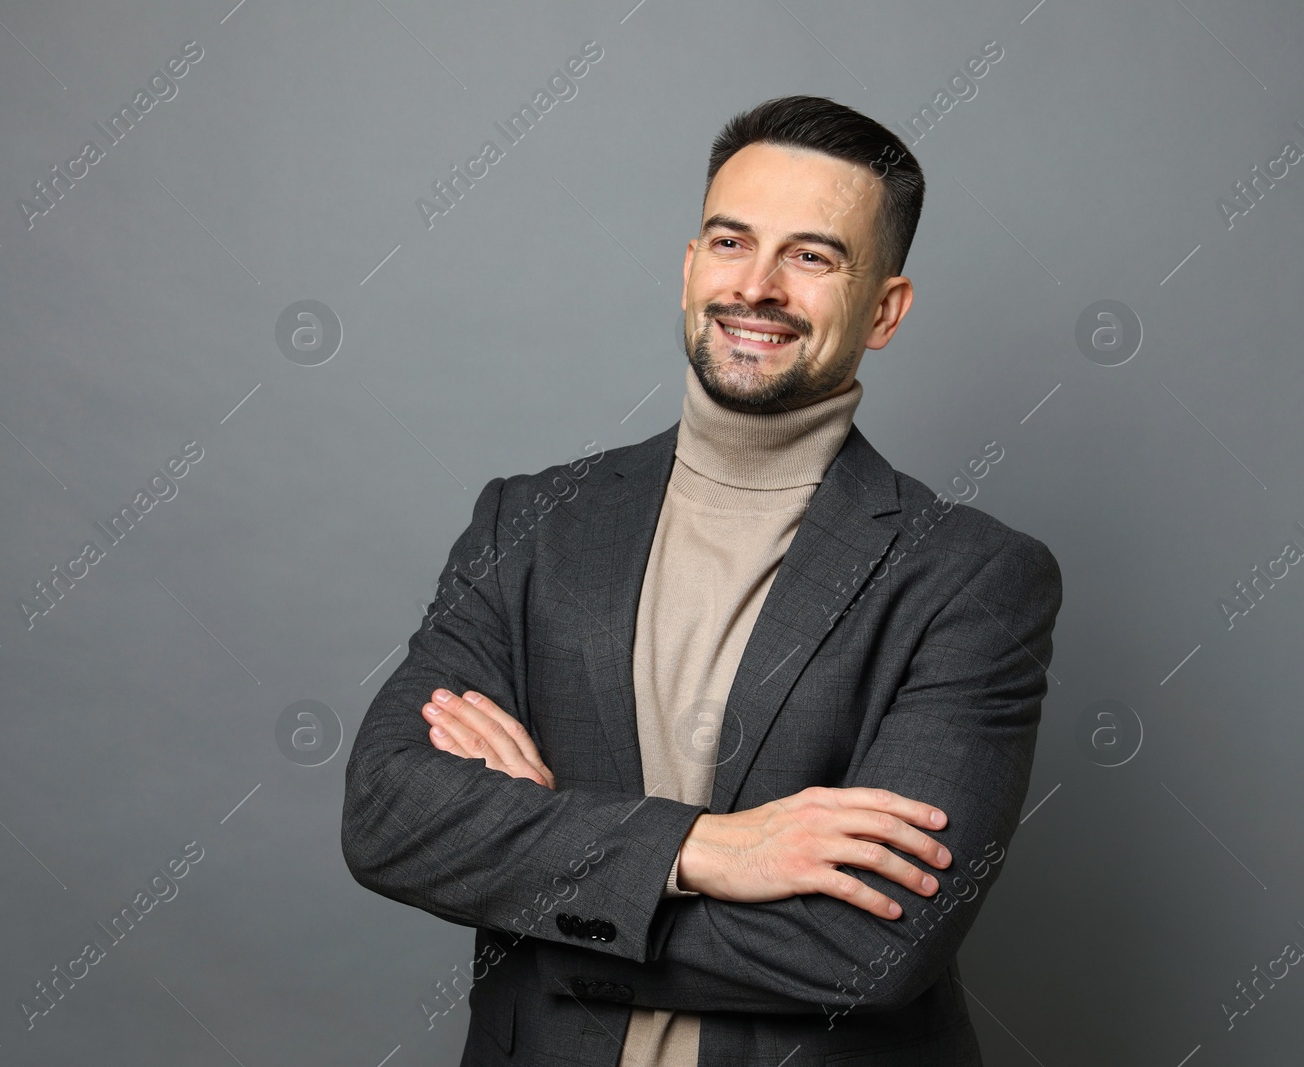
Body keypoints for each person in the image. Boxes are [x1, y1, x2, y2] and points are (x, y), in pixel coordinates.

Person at [342, 95, 1063, 1066]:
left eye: (811, 256)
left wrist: (547, 888)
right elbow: (390, 811)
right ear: (690, 267)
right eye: (731, 241)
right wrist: (703, 849)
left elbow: (869, 947)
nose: (755, 285)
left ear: (883, 310)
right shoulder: (531, 523)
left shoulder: (972, 577)